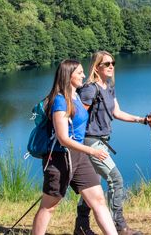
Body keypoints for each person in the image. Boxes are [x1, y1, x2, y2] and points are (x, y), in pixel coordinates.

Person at [31, 59, 118, 235]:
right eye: (79, 73)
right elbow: (63, 138)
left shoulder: (76, 96)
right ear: (68, 75)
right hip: (59, 158)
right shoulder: (59, 101)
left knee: (98, 200)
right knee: (49, 207)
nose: (84, 75)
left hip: (78, 157)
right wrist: (92, 150)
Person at [74, 51, 151, 235]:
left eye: (113, 63)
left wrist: (142, 120)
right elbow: (78, 117)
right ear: (97, 67)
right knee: (116, 180)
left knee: (91, 185)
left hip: (101, 142)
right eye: (107, 63)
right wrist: (78, 147)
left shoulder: (108, 86)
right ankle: (119, 226)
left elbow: (116, 112)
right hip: (90, 143)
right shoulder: (90, 89)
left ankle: (81, 227)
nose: (111, 66)